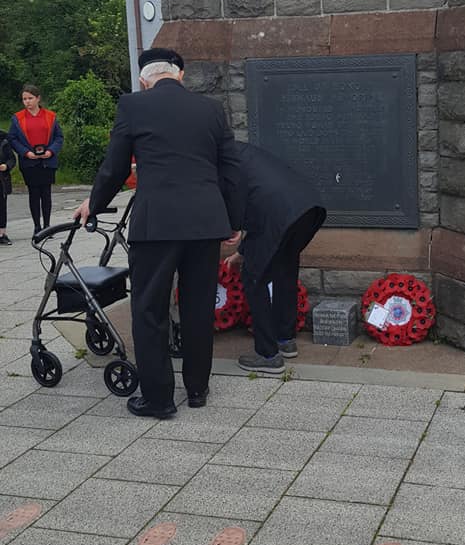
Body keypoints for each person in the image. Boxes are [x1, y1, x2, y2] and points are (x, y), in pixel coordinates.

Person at [74, 47, 240, 420]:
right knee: (198, 308)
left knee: (149, 309)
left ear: (144, 80)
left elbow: (115, 167)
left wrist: (94, 204)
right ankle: (197, 389)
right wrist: (233, 220)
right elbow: (230, 169)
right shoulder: (211, 109)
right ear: (179, 75)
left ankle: (159, 398)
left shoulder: (133, 106)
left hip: (157, 226)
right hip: (205, 224)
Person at [222, 142, 326, 374]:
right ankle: (285, 339)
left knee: (253, 278)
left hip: (278, 214)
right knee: (285, 270)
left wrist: (233, 227)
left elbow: (244, 200)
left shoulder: (222, 159)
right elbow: (263, 201)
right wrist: (243, 251)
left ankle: (267, 355)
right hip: (308, 207)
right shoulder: (242, 151)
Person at [8, 84, 64, 239]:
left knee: (46, 193)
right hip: (29, 161)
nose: (27, 102)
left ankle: (47, 225)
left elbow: (59, 137)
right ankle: (37, 226)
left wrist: (51, 151)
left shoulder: (50, 116)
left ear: (38, 98)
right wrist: (25, 152)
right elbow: (12, 138)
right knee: (34, 193)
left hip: (47, 160)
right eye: (24, 99)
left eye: (30, 98)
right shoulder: (17, 118)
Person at [0, 127, 16, 245]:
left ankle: (1, 233)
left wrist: (6, 166)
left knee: (1, 206)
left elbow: (12, 159)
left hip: (1, 179)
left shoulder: (4, 141)